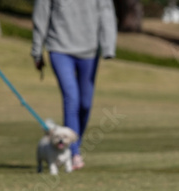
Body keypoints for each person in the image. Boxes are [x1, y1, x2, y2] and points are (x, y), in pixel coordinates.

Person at [31, 0, 117, 170]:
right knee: (71, 98)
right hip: (59, 48)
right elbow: (41, 15)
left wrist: (108, 46)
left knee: (85, 104)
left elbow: (106, 13)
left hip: (89, 50)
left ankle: (73, 142)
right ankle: (74, 153)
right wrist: (36, 50)